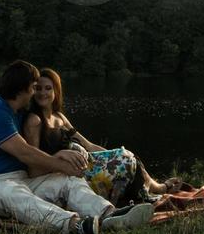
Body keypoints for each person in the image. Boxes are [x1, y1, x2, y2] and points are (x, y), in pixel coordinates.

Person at [0, 60, 154, 234]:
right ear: (21, 88)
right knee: (13, 192)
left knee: (68, 181)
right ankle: (75, 225)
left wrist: (65, 167)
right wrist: (60, 163)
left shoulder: (18, 112)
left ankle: (110, 214)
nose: (35, 93)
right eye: (33, 87)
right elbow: (25, 152)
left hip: (21, 179)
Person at [23, 67, 174, 203]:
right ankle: (143, 195)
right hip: (69, 174)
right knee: (127, 163)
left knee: (128, 156)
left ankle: (157, 188)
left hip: (87, 164)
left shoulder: (59, 117)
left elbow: (88, 145)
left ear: (56, 91)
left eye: (48, 88)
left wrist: (112, 155)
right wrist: (59, 156)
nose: (42, 93)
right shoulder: (34, 121)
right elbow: (33, 169)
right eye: (38, 88)